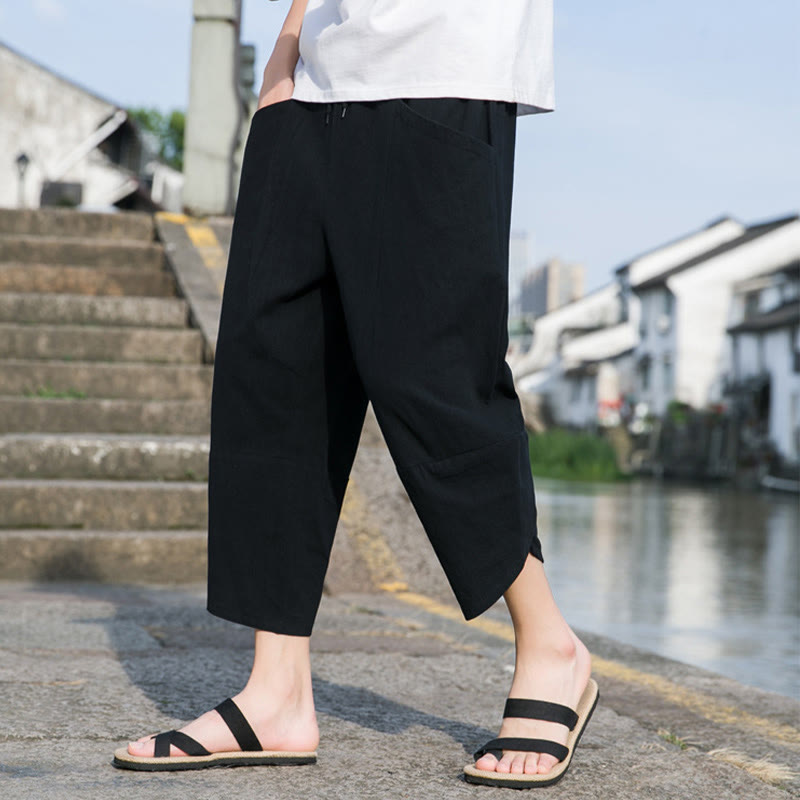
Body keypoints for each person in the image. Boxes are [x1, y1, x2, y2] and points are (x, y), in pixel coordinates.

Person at [112, 0, 598, 789]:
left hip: (445, 58)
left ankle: (551, 646)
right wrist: (290, 39)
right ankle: (277, 690)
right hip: (316, 75)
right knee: (273, 366)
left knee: (431, 370)